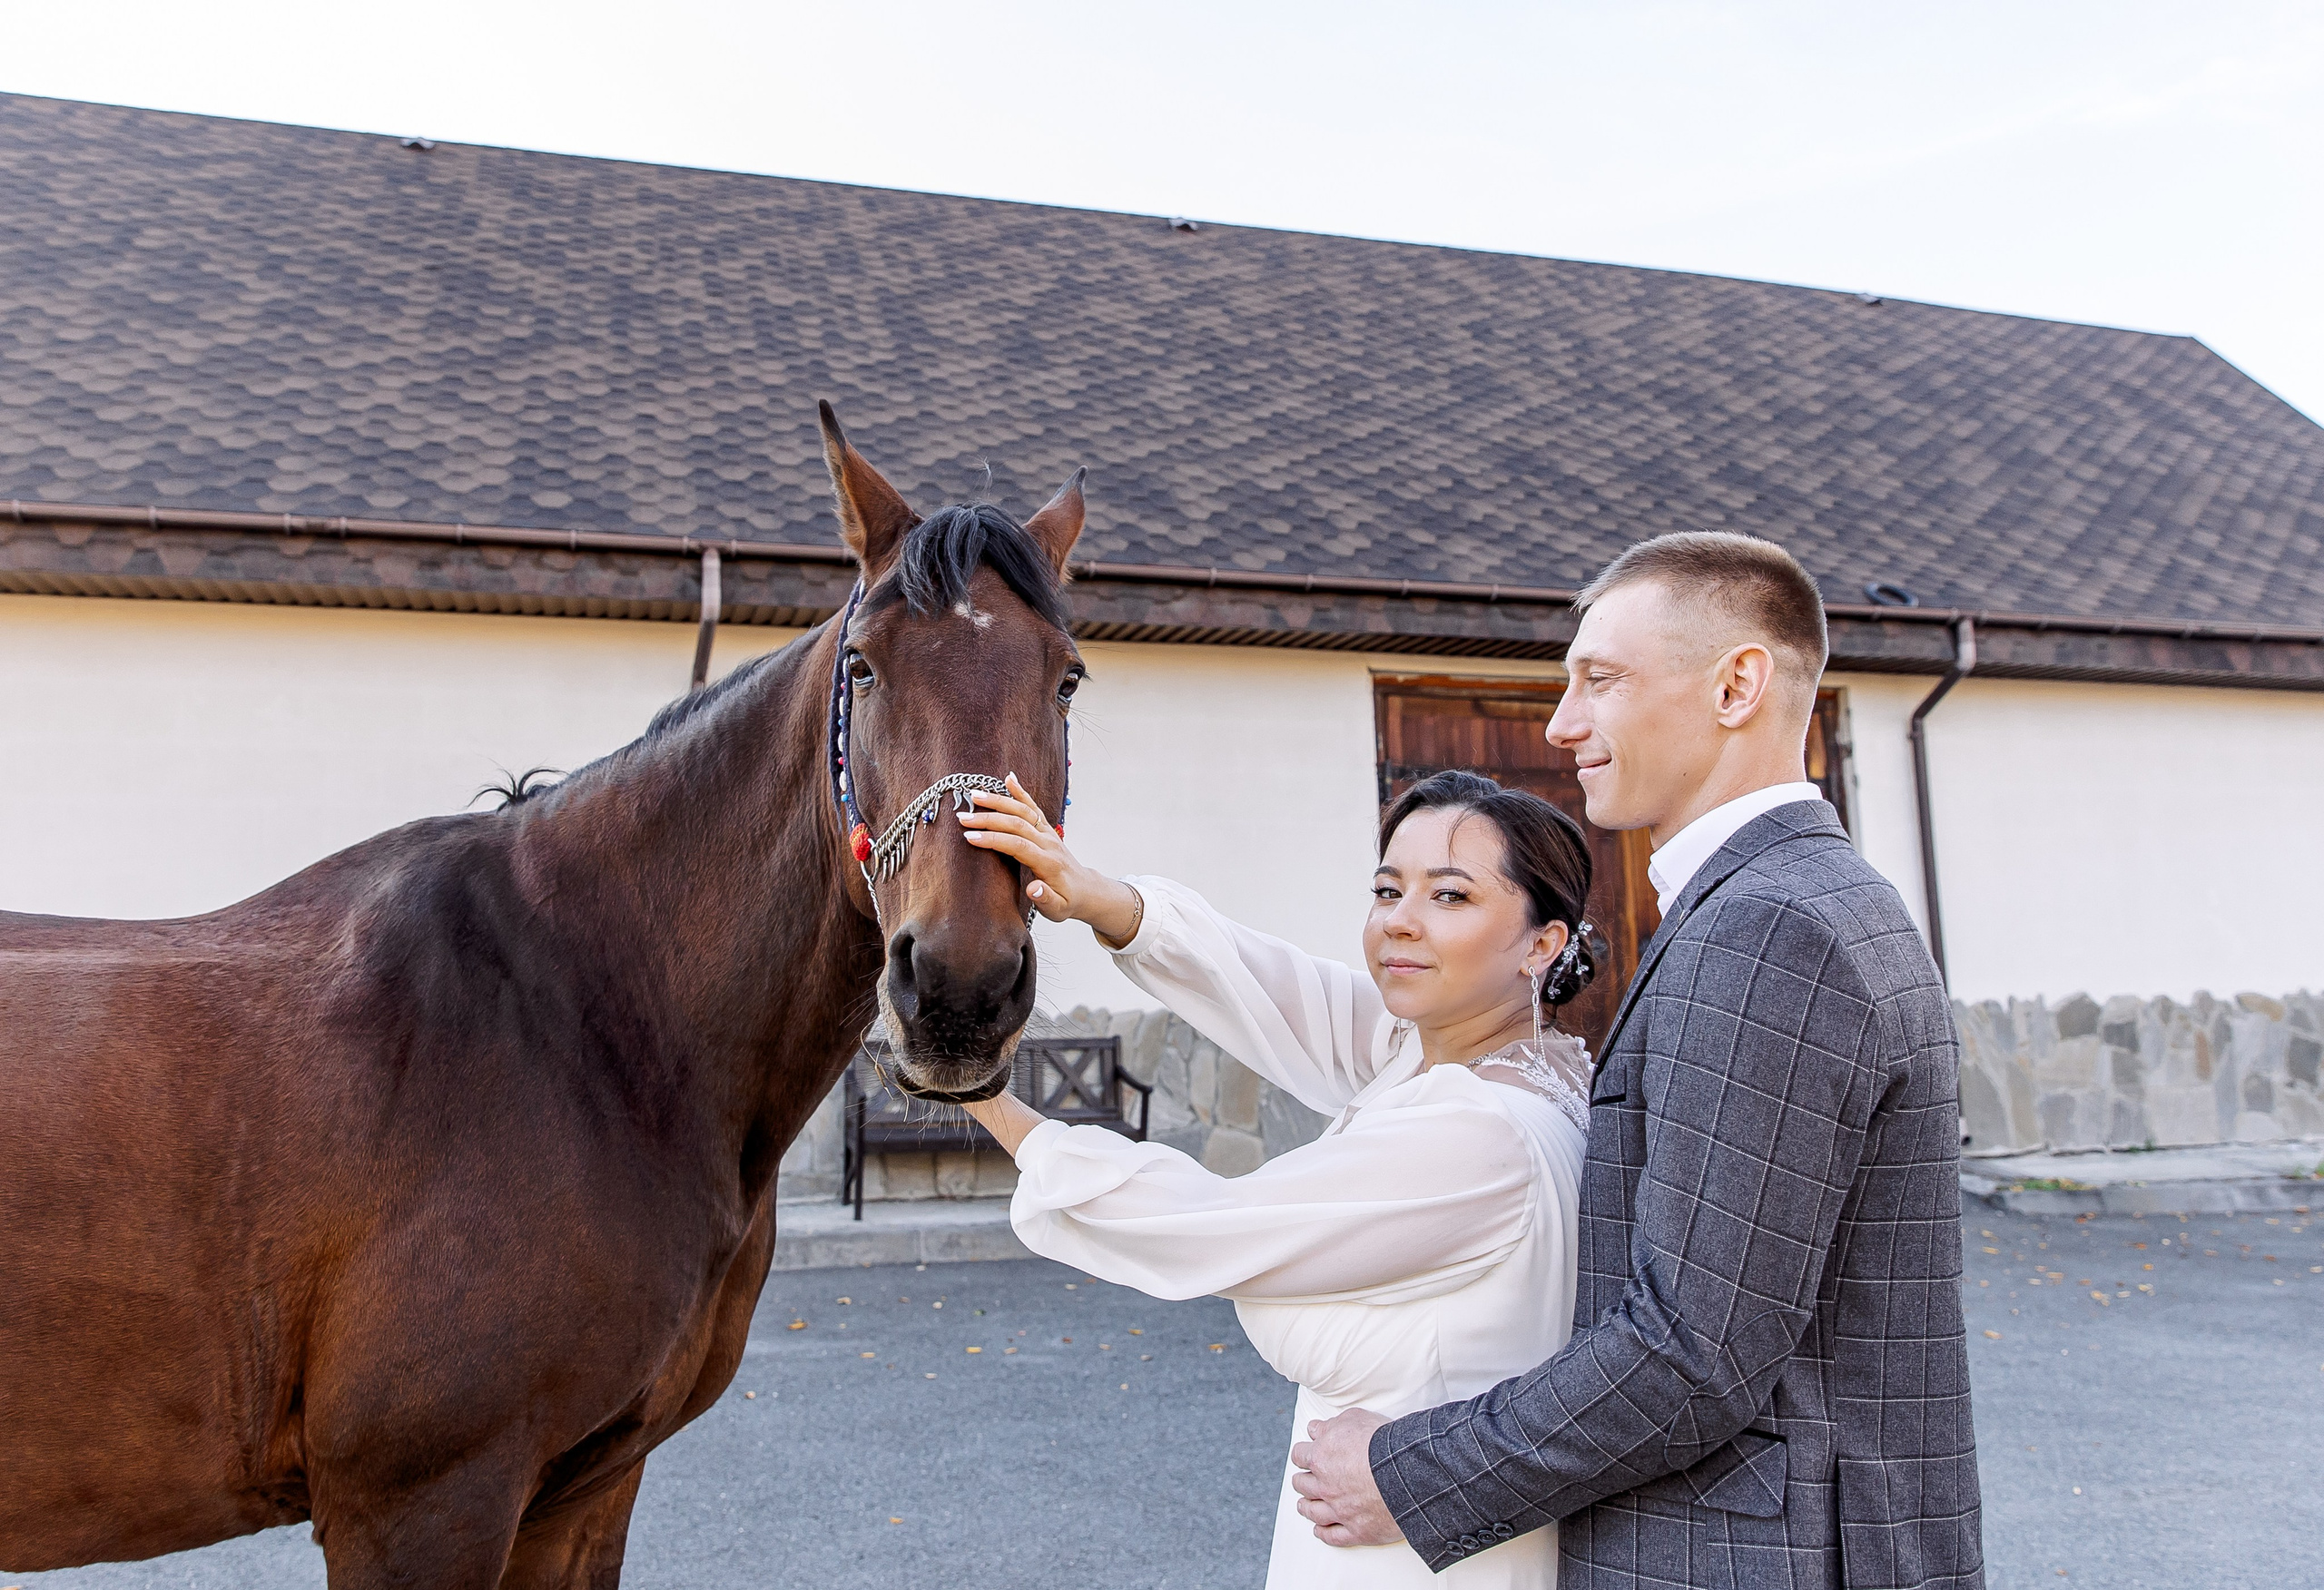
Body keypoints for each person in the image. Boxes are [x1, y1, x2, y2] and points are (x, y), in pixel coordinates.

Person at [1291, 531, 1984, 1588]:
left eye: (1599, 681)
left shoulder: (1771, 929)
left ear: (1736, 685)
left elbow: (1695, 1352)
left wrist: (1411, 1472)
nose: (1563, 723)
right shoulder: (1793, 901)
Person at [953, 767, 1600, 1588]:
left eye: (1450, 898)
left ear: (1541, 944)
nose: (1400, 923)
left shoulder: (1480, 1131)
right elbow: (1274, 986)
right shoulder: (1477, 1058)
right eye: (1386, 890)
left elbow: (1205, 1225)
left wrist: (985, 1099)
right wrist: (1093, 897)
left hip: (1419, 1558)